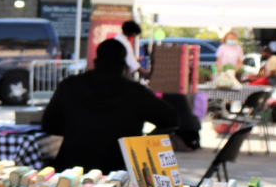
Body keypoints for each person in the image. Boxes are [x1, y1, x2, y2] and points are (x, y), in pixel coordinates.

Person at [41, 39, 179, 173]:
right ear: (124, 65)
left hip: (71, 171)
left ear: (96, 61)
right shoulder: (137, 93)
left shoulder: (69, 86)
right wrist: (145, 142)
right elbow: (172, 119)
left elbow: (49, 124)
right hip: (120, 171)